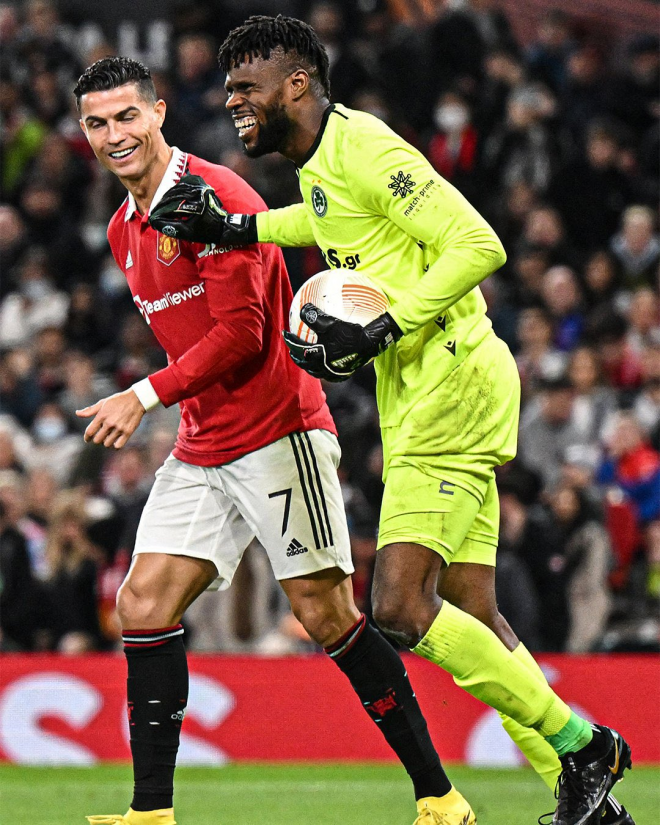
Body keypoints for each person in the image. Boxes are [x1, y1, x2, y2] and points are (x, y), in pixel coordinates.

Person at [150, 16, 634, 825]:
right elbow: (327, 219)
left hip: (447, 376)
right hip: (428, 383)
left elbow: (477, 244)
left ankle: (586, 743)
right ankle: (589, 796)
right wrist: (238, 227)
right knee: (472, 615)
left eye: (246, 87)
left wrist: (384, 322)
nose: (233, 101)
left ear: (296, 84)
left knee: (403, 608)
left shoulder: (366, 147)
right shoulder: (321, 164)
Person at [74, 56, 474, 825]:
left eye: (128, 116)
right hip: (203, 443)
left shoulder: (219, 197)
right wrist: (168, 401)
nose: (115, 134)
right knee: (142, 603)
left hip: (278, 433)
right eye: (98, 122)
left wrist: (144, 393)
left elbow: (244, 335)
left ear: (158, 113)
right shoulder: (124, 225)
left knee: (325, 613)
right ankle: (150, 813)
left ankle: (439, 795)